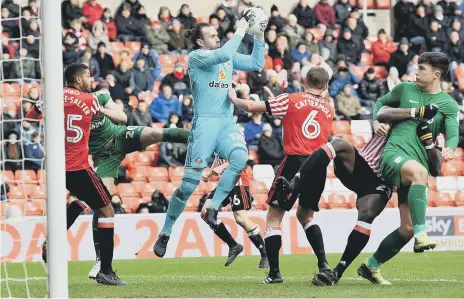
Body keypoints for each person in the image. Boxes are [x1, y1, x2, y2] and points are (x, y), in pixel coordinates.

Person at [281, 103, 441, 286]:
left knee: (367, 215)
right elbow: (382, 112)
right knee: (339, 142)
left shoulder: (433, 132)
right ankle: (294, 183)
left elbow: (436, 168)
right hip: (362, 166)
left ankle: (336, 272)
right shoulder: (401, 113)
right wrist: (375, 122)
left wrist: (428, 141)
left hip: (381, 183)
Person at [153, 11, 265, 258]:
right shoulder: (196, 57)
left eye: (217, 34)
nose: (217, 37)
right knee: (186, 188)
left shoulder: (225, 56)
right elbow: (224, 53)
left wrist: (259, 34)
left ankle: (213, 208)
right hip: (204, 126)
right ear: (201, 42)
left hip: (225, 124)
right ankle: (166, 231)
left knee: (239, 157)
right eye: (212, 35)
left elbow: (257, 64)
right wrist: (241, 29)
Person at [227, 67, 333, 284]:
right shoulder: (328, 108)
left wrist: (231, 96)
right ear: (325, 86)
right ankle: (323, 263)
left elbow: (249, 106)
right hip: (318, 165)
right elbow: (305, 119)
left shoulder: (291, 99)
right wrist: (278, 104)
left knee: (274, 218)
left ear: (304, 80)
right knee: (306, 216)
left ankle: (274, 273)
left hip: (295, 162)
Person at [27, 63, 126, 285]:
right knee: (107, 210)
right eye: (89, 76)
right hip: (77, 166)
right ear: (78, 80)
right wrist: (103, 102)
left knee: (81, 200)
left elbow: (29, 120)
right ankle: (106, 271)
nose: (91, 80)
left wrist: (40, 104)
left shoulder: (53, 96)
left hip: (54, 167)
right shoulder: (91, 100)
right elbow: (122, 119)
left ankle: (50, 243)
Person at [370, 52, 459, 260]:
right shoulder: (404, 88)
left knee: (406, 228)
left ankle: (371, 266)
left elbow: (453, 133)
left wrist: (451, 148)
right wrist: (376, 123)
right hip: (394, 155)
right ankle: (422, 234)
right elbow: (380, 103)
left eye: (421, 69)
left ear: (436, 74)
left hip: (415, 165)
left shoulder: (449, 104)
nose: (416, 73)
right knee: (421, 173)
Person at [200, 154, 269, 268]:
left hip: (238, 180)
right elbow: (219, 159)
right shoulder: (217, 139)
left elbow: (241, 157)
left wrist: (220, 168)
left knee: (241, 219)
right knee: (206, 213)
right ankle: (234, 246)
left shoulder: (234, 136)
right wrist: (209, 173)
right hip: (224, 182)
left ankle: (265, 255)